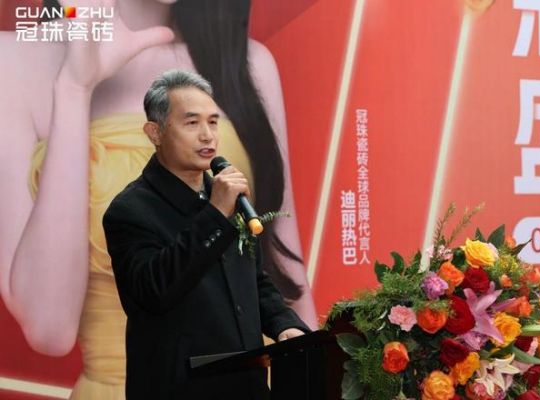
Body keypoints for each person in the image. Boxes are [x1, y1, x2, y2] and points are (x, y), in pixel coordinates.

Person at [0, 0, 316, 398]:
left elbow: (285, 281)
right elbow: (50, 329)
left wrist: (309, 363)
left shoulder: (248, 62)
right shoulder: (13, 60)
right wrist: (75, 87)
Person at [103, 69, 308, 399]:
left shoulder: (229, 199)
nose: (208, 136)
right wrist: (214, 214)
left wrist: (285, 324)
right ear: (155, 132)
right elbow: (155, 291)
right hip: (178, 391)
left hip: (247, 387)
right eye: (192, 123)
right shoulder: (130, 210)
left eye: (213, 122)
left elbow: (254, 281)